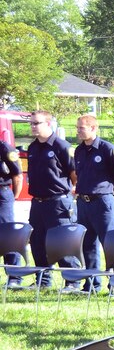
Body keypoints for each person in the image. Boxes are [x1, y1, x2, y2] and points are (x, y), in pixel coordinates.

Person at [71, 114, 114, 293]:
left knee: (110, 245)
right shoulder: (79, 151)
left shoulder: (107, 149)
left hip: (102, 202)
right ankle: (92, 285)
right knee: (87, 244)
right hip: (84, 203)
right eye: (77, 127)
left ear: (94, 128)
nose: (78, 131)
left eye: (82, 128)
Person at [23, 110, 79, 288]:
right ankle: (43, 280)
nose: (32, 126)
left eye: (36, 123)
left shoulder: (61, 146)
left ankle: (72, 281)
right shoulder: (33, 147)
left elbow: (74, 174)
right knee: (37, 242)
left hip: (58, 201)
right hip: (38, 202)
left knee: (62, 242)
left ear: (48, 124)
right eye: (31, 123)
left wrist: (71, 195)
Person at [1, 136, 24, 285]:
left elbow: (17, 176)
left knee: (7, 234)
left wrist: (13, 197)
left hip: (1, 193)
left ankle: (14, 277)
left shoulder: (4, 148)